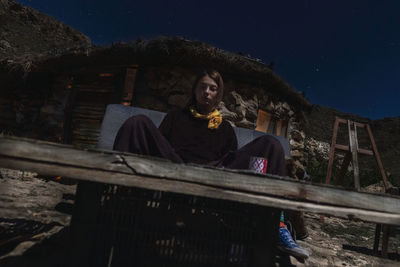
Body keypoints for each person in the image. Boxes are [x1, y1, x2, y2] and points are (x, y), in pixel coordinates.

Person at [113, 69, 309, 260]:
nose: (207, 92)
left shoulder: (224, 128)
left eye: (212, 88)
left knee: (271, 144)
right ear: (195, 90)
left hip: (215, 172)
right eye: (202, 87)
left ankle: (277, 225)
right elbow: (159, 146)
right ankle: (118, 203)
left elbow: (231, 161)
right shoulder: (175, 117)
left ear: (218, 95)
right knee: (137, 122)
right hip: (177, 167)